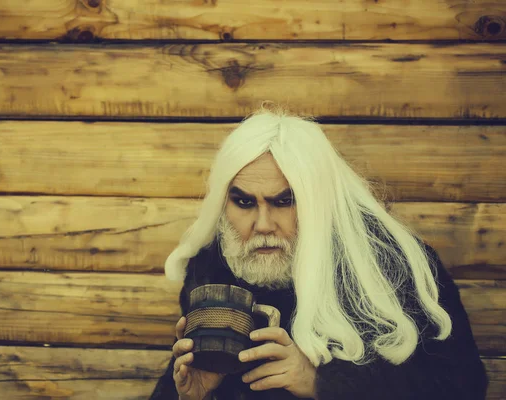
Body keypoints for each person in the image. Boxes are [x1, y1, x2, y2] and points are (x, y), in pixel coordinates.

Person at [149, 105, 488, 400]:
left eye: (284, 201)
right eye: (244, 202)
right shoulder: (214, 265)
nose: (263, 224)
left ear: (317, 201)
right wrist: (191, 396)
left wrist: (321, 382)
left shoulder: (390, 264)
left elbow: (462, 386)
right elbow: (189, 379)